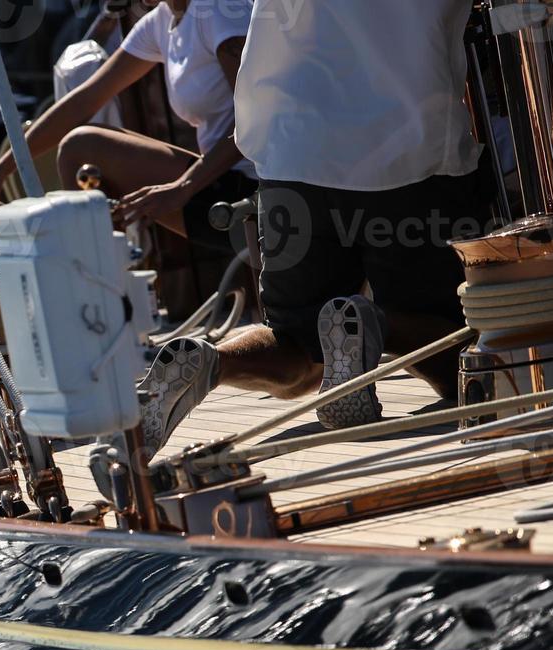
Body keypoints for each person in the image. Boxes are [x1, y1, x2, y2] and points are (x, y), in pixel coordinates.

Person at [138, 0, 494, 455]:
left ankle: (212, 361)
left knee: (298, 342)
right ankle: (376, 327)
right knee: (457, 357)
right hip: (407, 149)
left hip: (293, 152)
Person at [0, 0, 256, 252]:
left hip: (257, 194)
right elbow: (82, 103)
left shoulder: (215, 10)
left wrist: (182, 188)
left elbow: (256, 118)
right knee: (81, 147)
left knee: (81, 148)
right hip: (217, 183)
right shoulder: (161, 22)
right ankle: (110, 289)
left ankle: (98, 289)